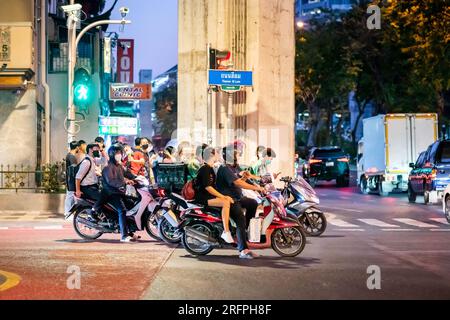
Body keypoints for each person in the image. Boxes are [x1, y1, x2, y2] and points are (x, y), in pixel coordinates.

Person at [216, 146, 265, 259]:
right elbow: (238, 183)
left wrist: (256, 180)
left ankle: (243, 231)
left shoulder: (234, 167)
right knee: (240, 219)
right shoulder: (224, 168)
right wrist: (257, 188)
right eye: (236, 153)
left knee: (252, 203)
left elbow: (240, 179)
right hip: (229, 200)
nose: (238, 155)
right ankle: (243, 250)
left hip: (238, 197)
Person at [194, 147, 234, 243]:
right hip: (202, 197)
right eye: (216, 153)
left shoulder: (210, 168)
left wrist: (224, 195)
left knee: (228, 200)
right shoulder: (205, 169)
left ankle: (225, 227)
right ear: (212, 155)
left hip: (208, 196)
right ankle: (226, 231)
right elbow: (208, 187)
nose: (218, 155)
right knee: (225, 202)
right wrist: (223, 197)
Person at [100, 145, 137, 243]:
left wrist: (136, 177)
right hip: (111, 193)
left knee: (131, 205)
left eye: (120, 153)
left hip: (119, 191)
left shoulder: (119, 166)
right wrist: (125, 182)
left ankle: (130, 231)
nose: (119, 155)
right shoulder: (108, 167)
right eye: (117, 153)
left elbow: (127, 173)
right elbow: (111, 181)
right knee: (122, 210)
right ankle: (124, 236)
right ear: (112, 155)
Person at [74, 144, 102, 220]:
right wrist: (78, 190)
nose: (98, 151)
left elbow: (104, 160)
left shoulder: (93, 159)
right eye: (96, 149)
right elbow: (78, 177)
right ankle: (92, 214)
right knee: (102, 197)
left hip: (93, 187)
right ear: (90, 150)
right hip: (87, 188)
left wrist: (102, 151)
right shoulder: (86, 162)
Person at [64, 141, 79, 217]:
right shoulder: (72, 157)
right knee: (70, 196)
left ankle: (69, 212)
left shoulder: (69, 155)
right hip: (71, 179)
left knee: (70, 195)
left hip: (70, 178)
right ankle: (67, 212)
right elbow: (74, 169)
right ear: (76, 147)